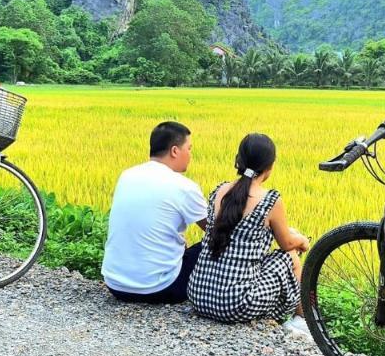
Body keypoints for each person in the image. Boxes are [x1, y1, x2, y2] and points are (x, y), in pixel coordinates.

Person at [187, 133, 310, 327]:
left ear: (239, 160)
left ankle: (294, 318)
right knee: (291, 257)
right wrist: (302, 240)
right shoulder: (270, 200)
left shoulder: (219, 190)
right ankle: (303, 320)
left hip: (199, 296)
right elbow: (287, 244)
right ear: (270, 166)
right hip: (235, 304)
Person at [101, 121, 207, 304]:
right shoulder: (184, 187)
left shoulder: (127, 175)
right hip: (160, 289)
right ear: (175, 151)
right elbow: (216, 231)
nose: (190, 155)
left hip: (115, 285)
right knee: (215, 243)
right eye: (189, 149)